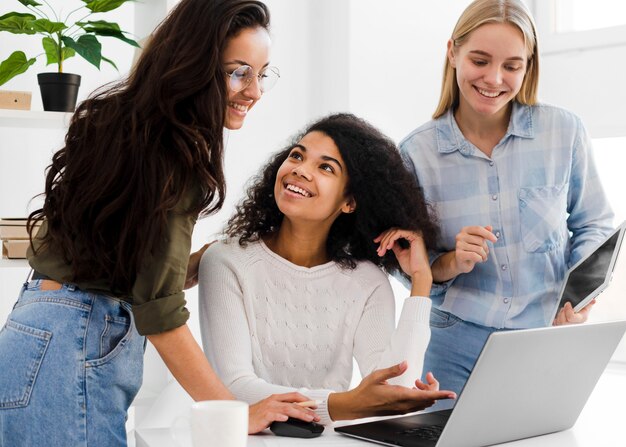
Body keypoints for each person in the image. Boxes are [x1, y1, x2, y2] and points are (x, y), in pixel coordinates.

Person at [0, 1, 319, 445]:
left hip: (33, 332)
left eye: (262, 74)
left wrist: (211, 258)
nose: (254, 92)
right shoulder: (172, 152)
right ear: (195, 63)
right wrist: (237, 411)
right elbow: (160, 311)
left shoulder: (123, 122)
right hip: (73, 343)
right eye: (238, 72)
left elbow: (127, 269)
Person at [398, 0, 614, 406]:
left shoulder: (563, 131)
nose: (494, 78)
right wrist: (451, 262)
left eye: (512, 66)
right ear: (452, 52)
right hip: (451, 346)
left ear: (528, 66)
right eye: (480, 60)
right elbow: (403, 263)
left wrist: (577, 296)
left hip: (543, 342)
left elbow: (595, 224)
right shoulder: (416, 153)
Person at [198, 113, 457, 425]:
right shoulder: (227, 261)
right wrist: (344, 404)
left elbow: (393, 392)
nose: (300, 170)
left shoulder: (368, 282)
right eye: (297, 155)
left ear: (349, 202)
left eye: (325, 167)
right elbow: (234, 387)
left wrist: (420, 282)